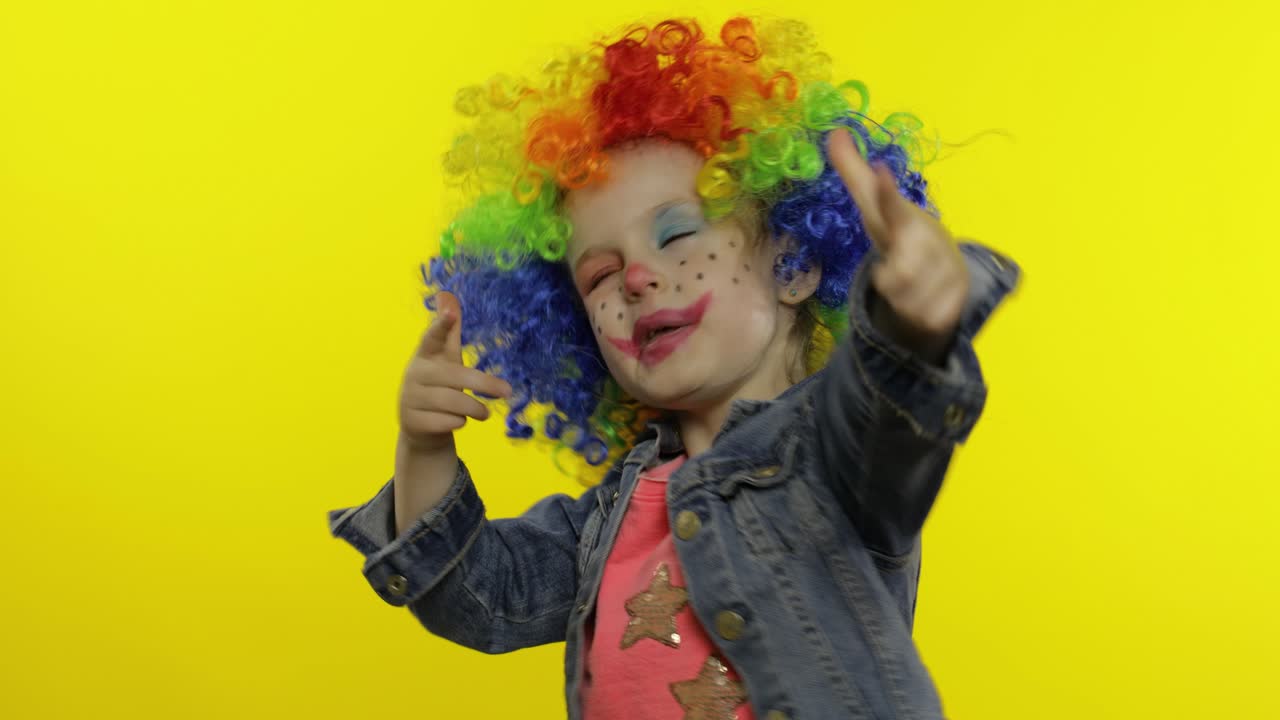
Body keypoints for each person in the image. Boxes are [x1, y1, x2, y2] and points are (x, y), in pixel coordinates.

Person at [327, 15, 1021, 720]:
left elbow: (891, 406)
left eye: (678, 233)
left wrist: (911, 320)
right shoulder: (608, 518)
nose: (635, 279)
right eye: (599, 275)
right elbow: (477, 597)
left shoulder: (835, 462)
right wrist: (423, 445)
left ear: (795, 262)